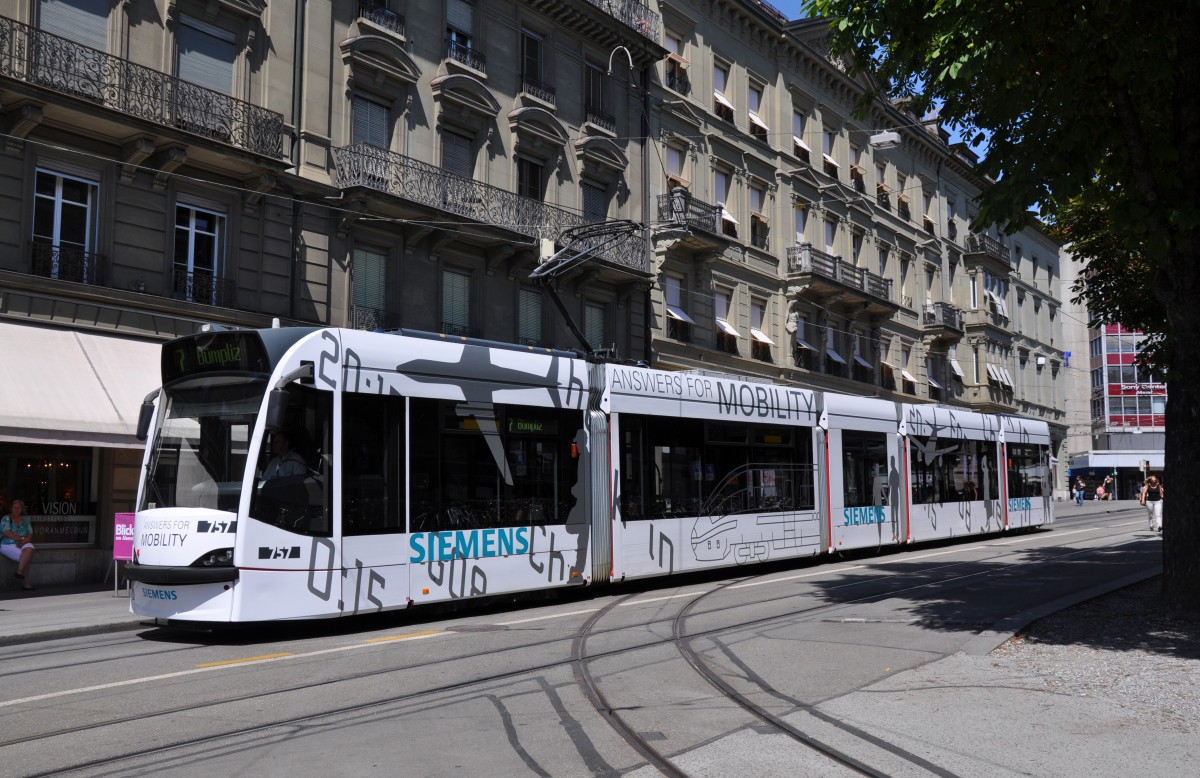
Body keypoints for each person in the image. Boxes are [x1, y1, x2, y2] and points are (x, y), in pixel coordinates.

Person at [1, 499, 36, 590]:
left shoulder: (25, 520)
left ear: (22, 509)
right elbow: (6, 533)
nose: (16, 509)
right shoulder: (6, 518)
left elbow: (30, 533)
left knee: (30, 547)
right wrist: (22, 538)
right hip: (7, 544)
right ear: (11, 508)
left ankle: (19, 572)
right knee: (25, 557)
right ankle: (25, 582)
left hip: (23, 543)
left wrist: (25, 541)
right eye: (14, 507)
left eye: (19, 508)